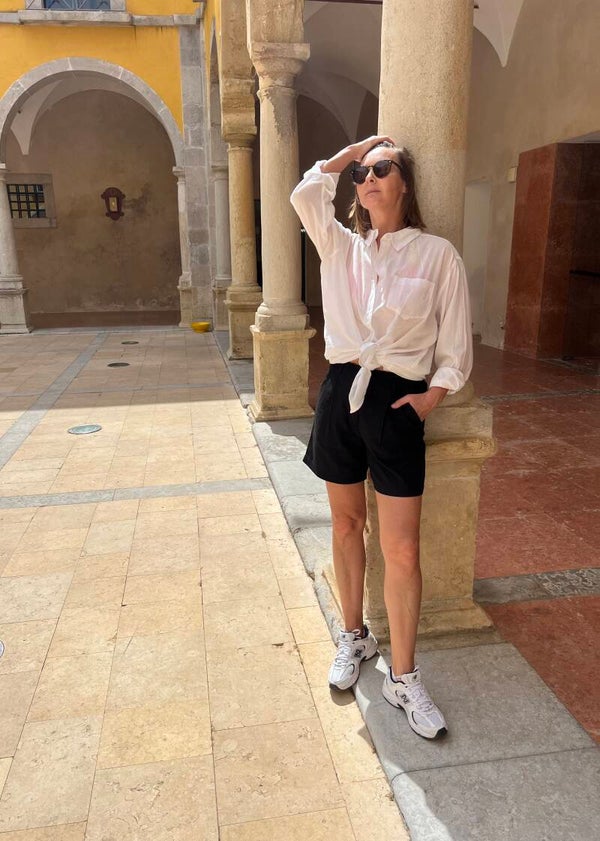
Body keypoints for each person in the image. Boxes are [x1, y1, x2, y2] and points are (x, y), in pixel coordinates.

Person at [290, 135, 472, 740]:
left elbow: (455, 344)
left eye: (381, 168)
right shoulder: (340, 245)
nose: (367, 178)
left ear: (405, 184)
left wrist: (430, 398)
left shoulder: (438, 255)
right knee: (346, 525)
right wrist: (351, 153)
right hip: (340, 394)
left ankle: (402, 675)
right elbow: (305, 194)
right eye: (361, 174)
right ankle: (354, 636)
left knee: (402, 549)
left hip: (397, 404)